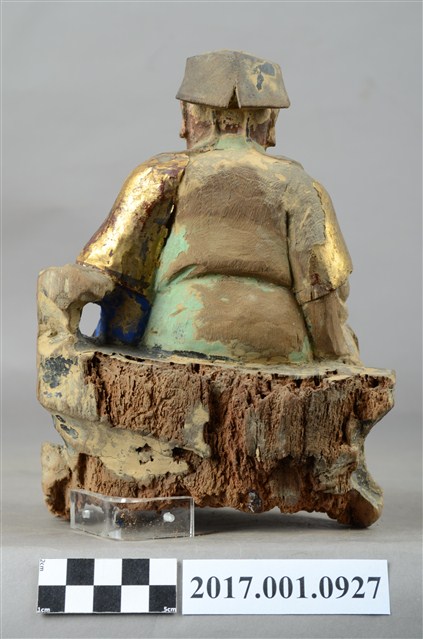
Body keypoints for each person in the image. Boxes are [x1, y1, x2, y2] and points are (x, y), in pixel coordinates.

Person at [67, 50, 361, 365]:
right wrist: (336, 356)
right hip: (280, 347)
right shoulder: (298, 184)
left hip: (178, 338)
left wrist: (114, 343)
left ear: (187, 117)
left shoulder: (161, 174)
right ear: (271, 122)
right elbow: (320, 294)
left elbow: (123, 279)